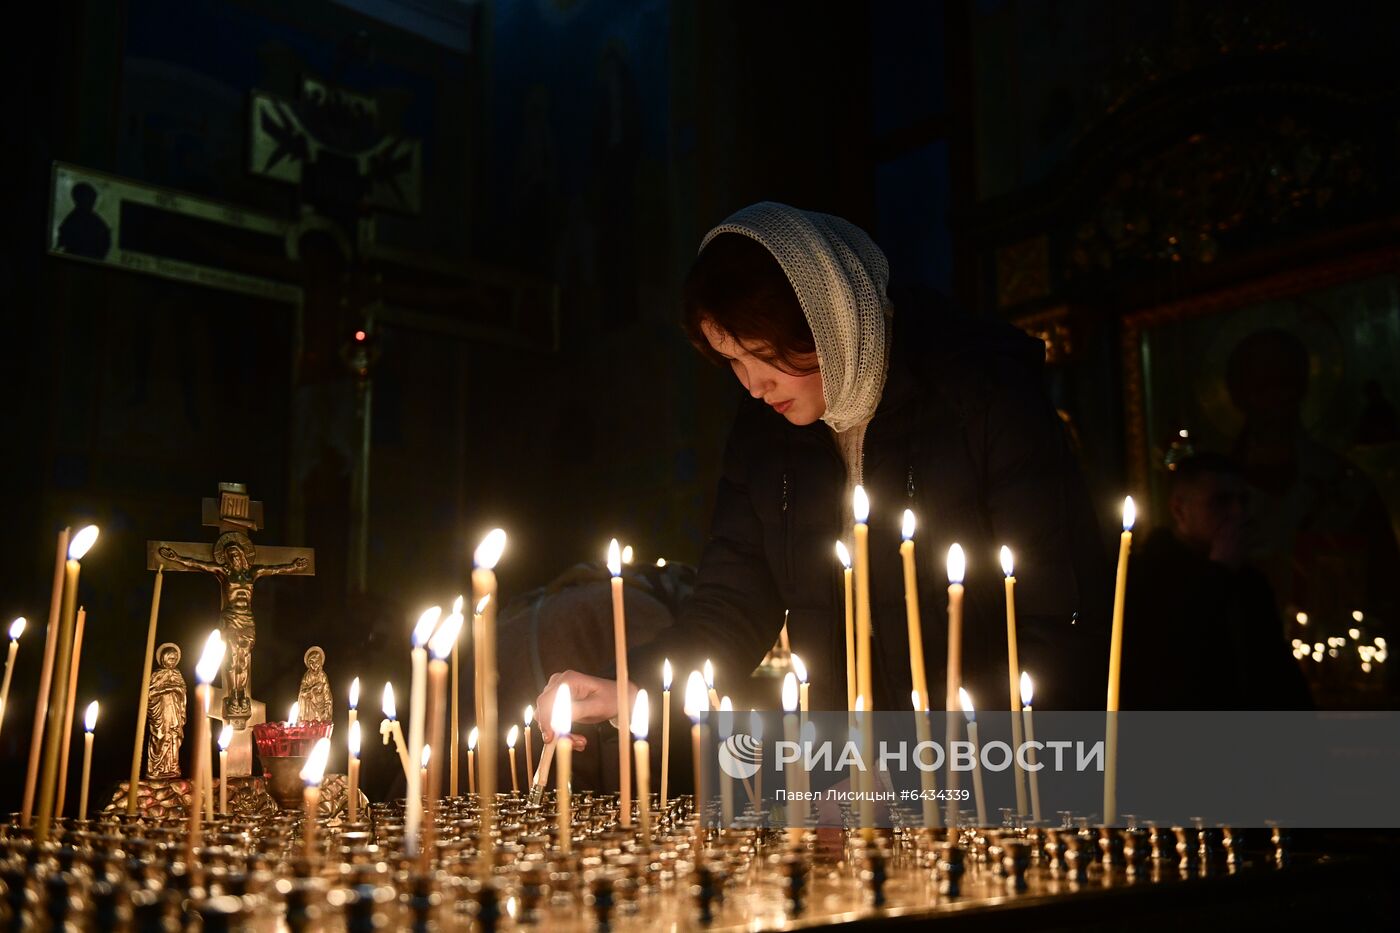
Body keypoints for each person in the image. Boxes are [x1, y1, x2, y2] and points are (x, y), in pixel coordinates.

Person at [536, 202, 1110, 741]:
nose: (753, 385)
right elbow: (731, 604)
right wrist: (634, 686)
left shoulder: (978, 395)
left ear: (825, 318)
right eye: (733, 361)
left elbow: (1060, 612)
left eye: (762, 354)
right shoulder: (765, 437)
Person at [1121, 452, 1313, 710]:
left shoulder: (1248, 580)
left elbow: (1275, 670)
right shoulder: (1147, 575)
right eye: (1220, 501)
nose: (1237, 512)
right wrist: (1219, 571)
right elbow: (1171, 658)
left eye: (1243, 500)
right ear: (1179, 509)